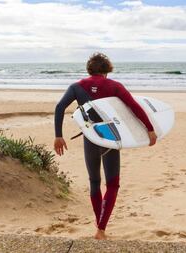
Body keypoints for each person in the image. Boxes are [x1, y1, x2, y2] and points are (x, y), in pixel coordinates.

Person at [54, 52, 157, 240]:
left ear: (89, 69)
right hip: (110, 139)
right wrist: (149, 129)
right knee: (112, 184)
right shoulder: (114, 86)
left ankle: (98, 222)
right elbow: (134, 107)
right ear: (107, 71)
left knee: (94, 181)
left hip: (91, 138)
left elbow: (60, 107)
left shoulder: (76, 87)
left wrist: (58, 136)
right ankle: (101, 228)